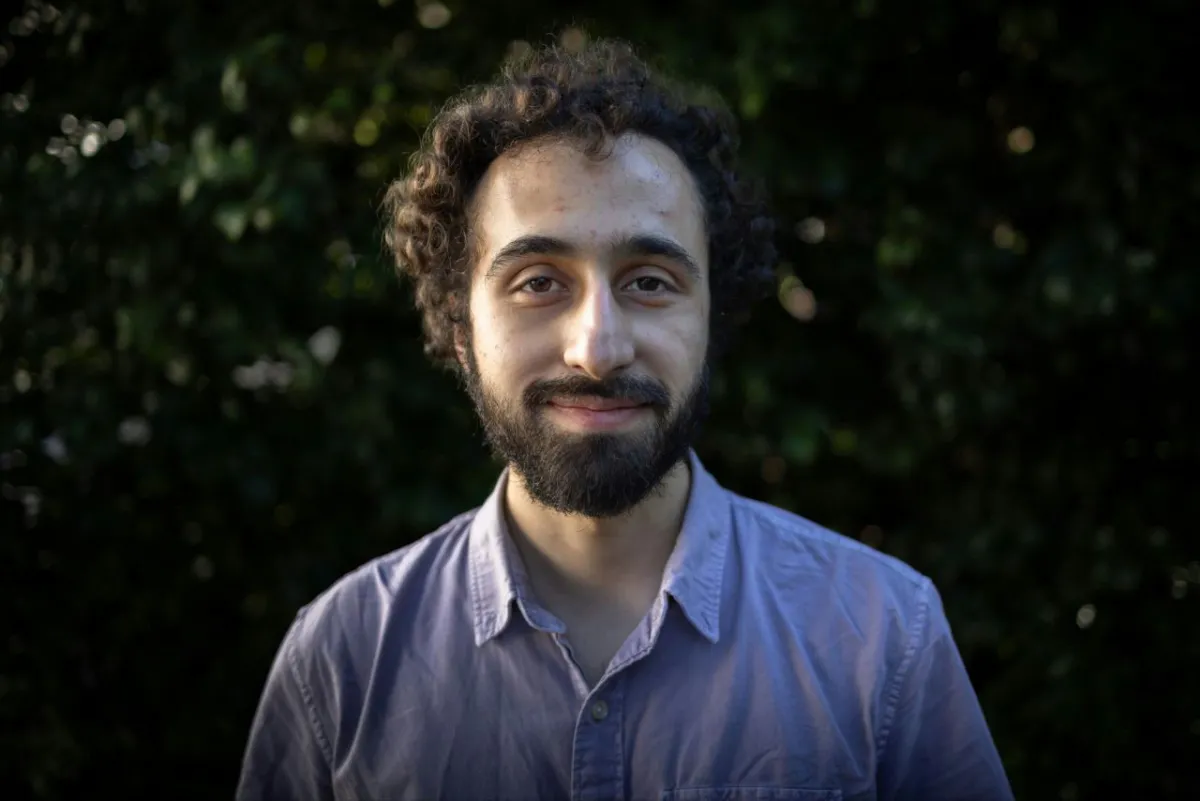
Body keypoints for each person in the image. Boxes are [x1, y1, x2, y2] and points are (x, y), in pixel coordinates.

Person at [237, 37, 1013, 801]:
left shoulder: (883, 637)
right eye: (539, 281)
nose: (599, 349)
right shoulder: (339, 663)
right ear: (461, 328)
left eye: (649, 281)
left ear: (713, 313)